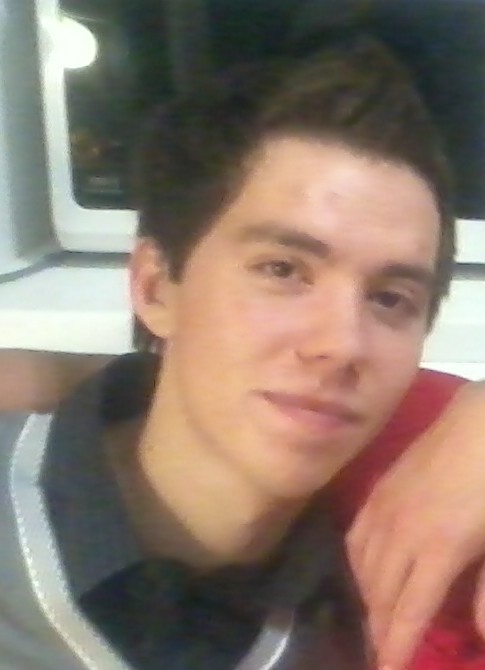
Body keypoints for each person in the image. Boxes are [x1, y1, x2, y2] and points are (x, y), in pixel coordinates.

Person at [1, 34, 484, 669]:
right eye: (282, 269)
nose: (340, 345)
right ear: (155, 287)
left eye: (391, 299)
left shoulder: (378, 593)